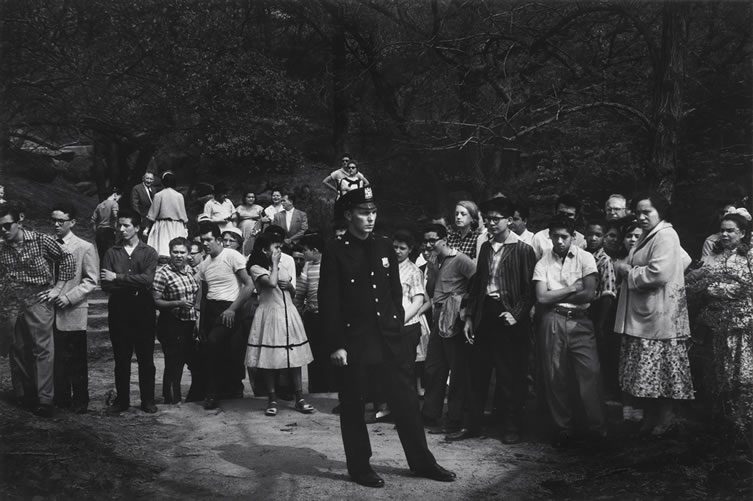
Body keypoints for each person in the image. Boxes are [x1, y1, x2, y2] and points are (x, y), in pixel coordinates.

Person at [319, 187, 456, 488]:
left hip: (390, 338)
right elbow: (329, 300)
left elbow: (394, 292)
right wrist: (336, 343)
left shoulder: (383, 246)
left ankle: (422, 461)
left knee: (406, 402)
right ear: (348, 215)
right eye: (363, 212)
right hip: (355, 341)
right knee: (355, 404)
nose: (370, 218)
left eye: (373, 212)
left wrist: (395, 324)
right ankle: (359, 466)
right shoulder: (336, 248)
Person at [449, 197, 536, 444]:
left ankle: (511, 427)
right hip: (484, 313)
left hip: (507, 316)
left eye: (497, 219)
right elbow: (478, 285)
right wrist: (468, 317)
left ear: (509, 220)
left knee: (510, 375)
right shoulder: (485, 247)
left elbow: (530, 290)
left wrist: (516, 314)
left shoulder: (523, 250)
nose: (492, 223)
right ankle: (472, 425)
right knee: (476, 373)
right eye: (488, 219)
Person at [613, 193, 694, 436]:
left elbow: (658, 273)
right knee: (646, 373)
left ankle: (666, 419)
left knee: (662, 370)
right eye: (638, 212)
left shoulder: (666, 235)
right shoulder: (652, 235)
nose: (640, 217)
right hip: (645, 314)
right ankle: (650, 417)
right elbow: (683, 259)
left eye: (647, 212)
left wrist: (627, 271)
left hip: (659, 317)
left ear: (661, 212)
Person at [534, 215, 606, 447]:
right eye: (555, 236)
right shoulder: (543, 262)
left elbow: (588, 293)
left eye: (564, 236)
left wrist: (559, 293)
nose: (560, 241)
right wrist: (571, 287)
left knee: (590, 372)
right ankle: (562, 428)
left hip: (581, 321)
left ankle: (596, 428)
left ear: (573, 237)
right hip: (553, 319)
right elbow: (541, 297)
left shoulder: (585, 258)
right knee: (555, 375)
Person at [0, 204, 75, 417]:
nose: (4, 231)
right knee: (17, 347)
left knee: (42, 349)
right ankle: (25, 394)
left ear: (19, 221)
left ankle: (45, 399)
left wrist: (58, 289)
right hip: (11, 302)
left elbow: (67, 258)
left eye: (7, 226)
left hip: (38, 298)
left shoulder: (41, 240)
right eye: (0, 227)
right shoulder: (1, 246)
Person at [687, 211, 753, 441]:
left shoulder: (749, 256)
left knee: (740, 372)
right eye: (722, 230)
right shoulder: (715, 254)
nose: (724, 234)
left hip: (740, 324)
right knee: (717, 372)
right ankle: (721, 423)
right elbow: (699, 282)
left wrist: (718, 290)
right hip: (714, 323)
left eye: (730, 230)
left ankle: (743, 424)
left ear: (742, 233)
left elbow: (749, 288)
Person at [245, 232, 315, 416]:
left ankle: (299, 397)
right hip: (270, 315)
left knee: (294, 357)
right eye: (275, 247)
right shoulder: (256, 267)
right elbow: (271, 283)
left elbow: (291, 292)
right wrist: (275, 264)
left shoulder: (282, 265)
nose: (279, 251)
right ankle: (272, 398)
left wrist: (290, 287)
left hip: (288, 313)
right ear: (264, 249)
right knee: (270, 358)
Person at [100, 209, 159, 413]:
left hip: (143, 306)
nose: (122, 229)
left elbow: (147, 280)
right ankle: (122, 401)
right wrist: (130, 282)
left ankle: (148, 400)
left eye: (126, 225)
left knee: (145, 357)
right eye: (120, 225)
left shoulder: (149, 252)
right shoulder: (112, 252)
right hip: (119, 307)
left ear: (137, 228)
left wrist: (117, 277)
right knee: (121, 357)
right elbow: (105, 285)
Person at [420, 223, 476, 435]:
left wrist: (464, 306)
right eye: (425, 240)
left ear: (445, 239)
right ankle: (429, 414)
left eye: (433, 240)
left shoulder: (460, 259)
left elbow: (479, 281)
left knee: (458, 370)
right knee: (434, 368)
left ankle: (455, 419)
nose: (428, 244)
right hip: (437, 320)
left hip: (454, 321)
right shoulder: (434, 261)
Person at [195, 222, 254, 409]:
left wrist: (232, 310)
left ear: (219, 240)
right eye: (202, 240)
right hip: (211, 309)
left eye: (209, 240)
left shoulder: (231, 255)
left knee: (216, 344)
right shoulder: (204, 264)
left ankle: (214, 393)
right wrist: (200, 320)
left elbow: (249, 285)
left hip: (230, 307)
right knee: (213, 348)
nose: (205, 244)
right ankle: (222, 390)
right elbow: (203, 295)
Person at [50, 203, 98, 414]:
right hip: (49, 311)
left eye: (61, 221)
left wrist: (69, 298)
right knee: (56, 358)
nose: (57, 224)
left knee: (76, 359)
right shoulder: (47, 244)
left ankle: (80, 400)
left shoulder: (84, 247)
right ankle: (61, 398)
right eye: (54, 220)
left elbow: (91, 280)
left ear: (72, 222)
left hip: (73, 310)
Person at [152, 237, 199, 404]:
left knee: (192, 360)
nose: (179, 255)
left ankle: (191, 396)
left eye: (182, 252)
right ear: (170, 252)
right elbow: (155, 301)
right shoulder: (162, 273)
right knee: (173, 361)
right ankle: (171, 398)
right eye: (175, 252)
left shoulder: (191, 271)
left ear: (188, 254)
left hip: (190, 323)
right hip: (171, 322)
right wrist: (177, 303)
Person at [294, 232, 334, 393]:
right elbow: (301, 291)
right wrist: (296, 309)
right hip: (313, 315)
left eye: (305, 250)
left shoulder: (331, 264)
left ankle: (332, 387)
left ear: (315, 250)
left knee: (330, 353)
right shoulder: (307, 266)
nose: (303, 253)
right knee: (314, 353)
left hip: (329, 316)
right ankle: (316, 387)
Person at [584, 219, 618, 400]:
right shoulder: (581, 254)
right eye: (590, 234)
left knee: (600, 353)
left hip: (598, 312)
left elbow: (608, 293)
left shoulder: (604, 261)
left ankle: (603, 393)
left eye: (598, 235)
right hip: (582, 309)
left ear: (604, 238)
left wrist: (601, 323)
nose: (593, 238)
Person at [145, 171, 188, 259]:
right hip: (177, 226)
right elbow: (183, 215)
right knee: (176, 250)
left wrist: (147, 229)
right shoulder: (179, 196)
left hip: (163, 227)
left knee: (163, 250)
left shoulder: (159, 195)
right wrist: (185, 227)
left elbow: (152, 215)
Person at [531, 193, 587, 260]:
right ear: (555, 212)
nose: (564, 217)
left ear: (576, 217)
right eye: (561, 213)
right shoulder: (539, 238)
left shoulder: (582, 241)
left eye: (569, 215)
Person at [90, 187, 122, 262]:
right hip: (109, 231)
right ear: (114, 195)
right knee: (110, 255)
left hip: (99, 231)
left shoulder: (100, 205)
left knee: (101, 255)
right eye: (118, 197)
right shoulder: (114, 203)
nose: (118, 199)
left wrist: (96, 231)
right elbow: (115, 215)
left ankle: (102, 272)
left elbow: (92, 220)